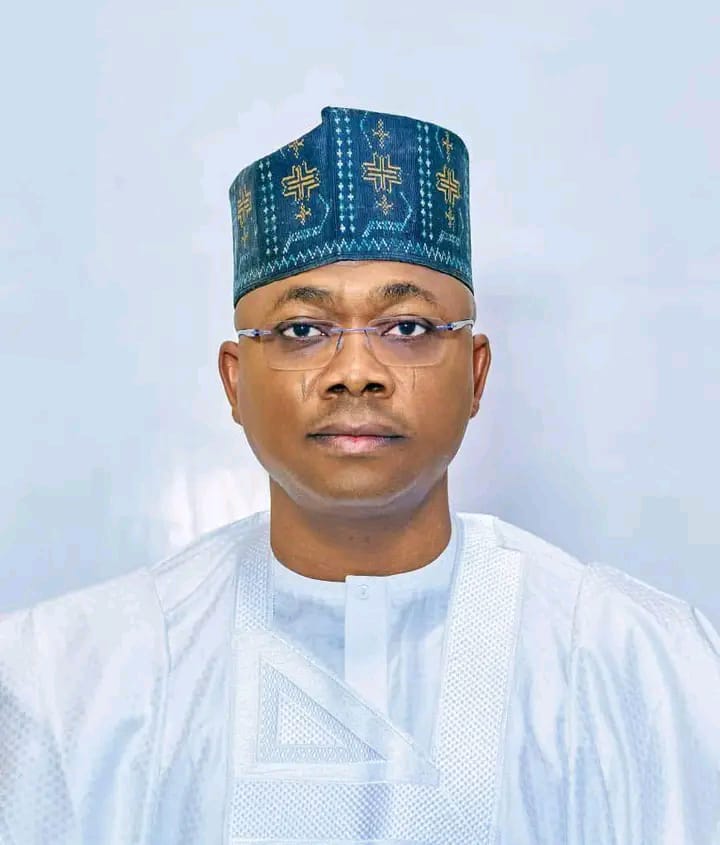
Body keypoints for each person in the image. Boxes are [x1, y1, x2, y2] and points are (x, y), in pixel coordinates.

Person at [1, 106, 718, 845]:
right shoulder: (73, 685)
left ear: (476, 374)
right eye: (302, 330)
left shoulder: (637, 669)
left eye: (406, 328)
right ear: (234, 381)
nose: (355, 372)